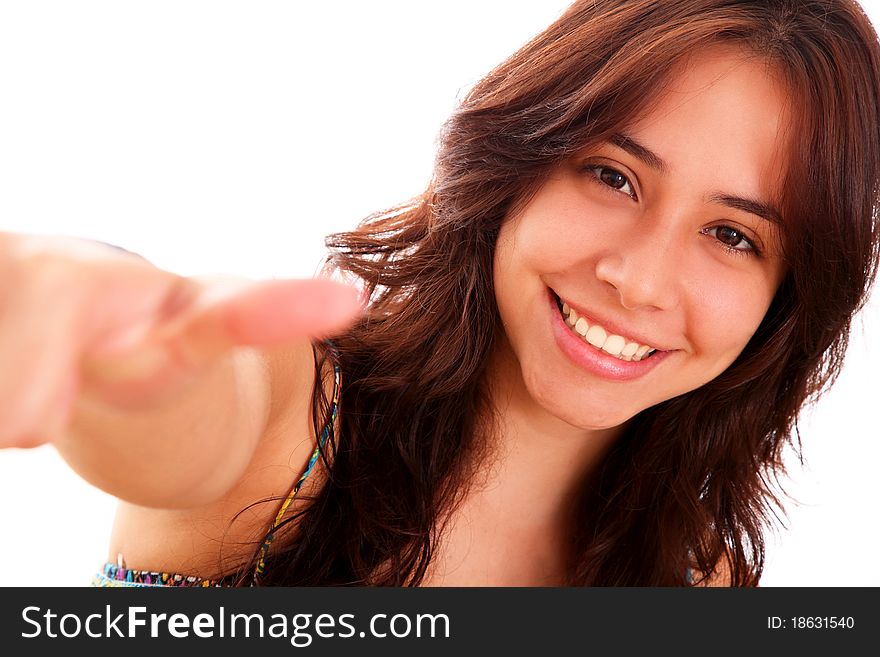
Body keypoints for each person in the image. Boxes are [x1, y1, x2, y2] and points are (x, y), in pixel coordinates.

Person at [1, 0, 879, 587]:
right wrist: (104, 328)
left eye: (733, 235)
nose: (639, 278)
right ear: (521, 161)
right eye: (612, 176)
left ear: (788, 300)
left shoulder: (699, 576)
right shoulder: (302, 421)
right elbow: (191, 411)